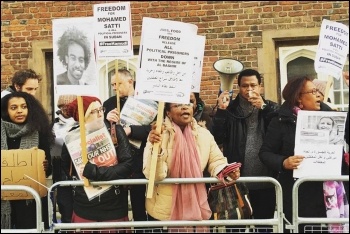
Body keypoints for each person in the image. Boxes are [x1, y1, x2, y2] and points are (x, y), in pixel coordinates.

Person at [258, 76, 348, 232]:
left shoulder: (331, 116)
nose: (318, 95)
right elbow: (265, 153)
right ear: (299, 96)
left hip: (329, 192)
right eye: (313, 91)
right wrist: (283, 162)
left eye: (318, 91)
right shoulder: (281, 120)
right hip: (298, 194)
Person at [143, 102, 241, 232]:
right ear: (168, 112)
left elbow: (216, 160)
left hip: (197, 206)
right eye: (177, 105)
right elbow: (154, 175)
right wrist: (157, 148)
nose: (184, 107)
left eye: (188, 104)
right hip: (165, 210)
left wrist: (226, 171)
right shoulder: (159, 135)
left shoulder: (204, 135)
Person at [212, 68, 279, 230]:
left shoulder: (271, 108)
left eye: (253, 85)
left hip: (265, 180)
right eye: (244, 86)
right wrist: (221, 111)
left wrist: (264, 108)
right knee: (236, 228)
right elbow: (217, 138)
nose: (249, 90)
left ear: (260, 87)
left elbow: (278, 133)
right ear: (239, 87)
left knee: (264, 226)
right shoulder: (230, 109)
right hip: (237, 182)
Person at [60, 96, 133, 227]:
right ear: (82, 116)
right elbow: (68, 167)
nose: (100, 114)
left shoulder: (115, 131)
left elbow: (128, 165)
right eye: (94, 111)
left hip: (114, 206)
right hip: (84, 205)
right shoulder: (71, 137)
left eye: (101, 109)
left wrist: (96, 172)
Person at [103, 69, 152, 224]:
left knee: (140, 208)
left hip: (141, 161)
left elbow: (155, 129)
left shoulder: (148, 101)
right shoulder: (109, 103)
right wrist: (107, 121)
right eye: (112, 84)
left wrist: (131, 130)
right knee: (119, 207)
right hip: (118, 162)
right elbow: (101, 132)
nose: (114, 88)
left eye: (118, 83)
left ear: (130, 82)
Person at [1, 92, 53, 229]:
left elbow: (49, 170)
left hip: (30, 203)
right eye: (14, 107)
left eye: (23, 107)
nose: (19, 111)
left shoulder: (39, 131)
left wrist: (45, 166)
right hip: (4, 200)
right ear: (5, 111)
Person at [50, 95, 77, 223]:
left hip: (78, 166)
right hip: (60, 168)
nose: (66, 109)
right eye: (63, 106)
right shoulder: (52, 124)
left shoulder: (81, 123)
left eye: (70, 106)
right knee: (65, 205)